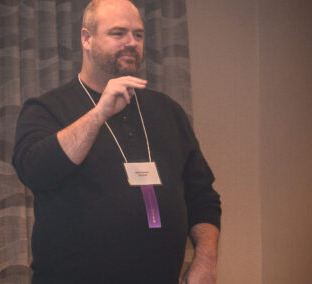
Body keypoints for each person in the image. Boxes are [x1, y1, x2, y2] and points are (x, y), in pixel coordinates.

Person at [12, 0, 221, 283]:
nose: (131, 42)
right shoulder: (45, 108)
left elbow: (203, 196)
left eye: (138, 34)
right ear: (87, 38)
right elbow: (36, 172)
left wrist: (205, 261)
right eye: (118, 33)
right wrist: (99, 114)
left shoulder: (168, 110)